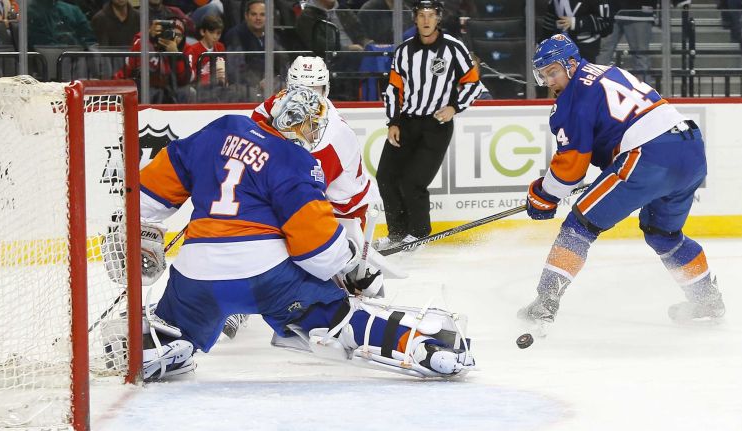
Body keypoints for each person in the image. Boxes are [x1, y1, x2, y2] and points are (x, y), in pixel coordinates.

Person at [104, 86, 474, 380]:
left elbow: (146, 196)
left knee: (177, 323)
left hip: (195, 274)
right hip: (266, 278)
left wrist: (139, 232)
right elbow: (315, 250)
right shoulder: (295, 159)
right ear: (294, 125)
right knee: (333, 317)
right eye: (310, 126)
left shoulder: (221, 128)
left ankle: (154, 346)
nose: (312, 134)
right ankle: (421, 345)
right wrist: (348, 261)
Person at [518, 34, 725, 328]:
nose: (550, 81)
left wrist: (544, 195)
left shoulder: (572, 98)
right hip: (690, 147)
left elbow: (571, 167)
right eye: (543, 75)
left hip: (649, 155)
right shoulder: (609, 71)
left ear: (572, 64)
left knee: (579, 225)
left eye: (553, 71)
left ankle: (544, 303)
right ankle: (706, 299)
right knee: (662, 234)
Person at [374, 0, 484, 250]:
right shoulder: (403, 51)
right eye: (421, 15)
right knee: (386, 177)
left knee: (413, 181)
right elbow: (394, 88)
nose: (426, 20)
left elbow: (473, 84)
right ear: (414, 18)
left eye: (431, 15)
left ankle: (419, 235)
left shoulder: (454, 48)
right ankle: (398, 234)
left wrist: (455, 107)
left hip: (435, 127)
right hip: (406, 124)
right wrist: (393, 121)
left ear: (438, 18)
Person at [251, 56, 381, 229]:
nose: (308, 96)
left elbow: (306, 195)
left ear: (325, 89)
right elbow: (254, 125)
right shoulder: (281, 102)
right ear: (289, 89)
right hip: (312, 202)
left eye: (314, 89)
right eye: (299, 89)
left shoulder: (331, 135)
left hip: (343, 214)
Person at [116, 19, 194, 103]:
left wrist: (176, 56)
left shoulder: (186, 49)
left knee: (189, 92)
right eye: (170, 33)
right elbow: (130, 69)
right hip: (145, 86)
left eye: (178, 35)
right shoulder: (148, 42)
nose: (173, 38)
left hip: (171, 88)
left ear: (183, 38)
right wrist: (149, 36)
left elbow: (185, 80)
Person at [223, 0, 286, 101]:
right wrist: (258, 82)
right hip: (245, 86)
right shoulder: (236, 35)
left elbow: (282, 63)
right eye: (254, 14)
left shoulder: (272, 36)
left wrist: (275, 79)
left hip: (269, 84)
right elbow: (235, 72)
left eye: (262, 15)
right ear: (246, 16)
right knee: (252, 95)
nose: (258, 18)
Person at [541, 0, 613, 63]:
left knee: (582, 75)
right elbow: (550, 19)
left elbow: (604, 21)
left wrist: (575, 22)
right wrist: (542, 42)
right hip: (560, 46)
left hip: (586, 47)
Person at [27, 0, 96, 49]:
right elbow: (44, 46)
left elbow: (90, 41)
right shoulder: (32, 13)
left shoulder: (74, 11)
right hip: (50, 64)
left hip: (82, 62)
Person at [184, 14, 226, 86]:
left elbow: (223, 73)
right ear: (202, 32)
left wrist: (223, 80)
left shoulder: (220, 47)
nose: (215, 37)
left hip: (218, 88)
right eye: (211, 32)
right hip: (200, 89)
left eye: (218, 33)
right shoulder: (192, 50)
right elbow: (190, 77)